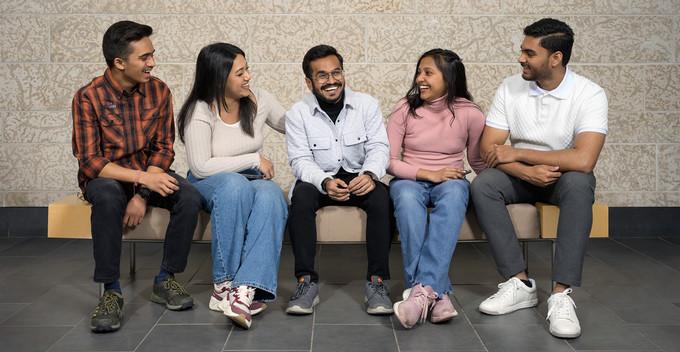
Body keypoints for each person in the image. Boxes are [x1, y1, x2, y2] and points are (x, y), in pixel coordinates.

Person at [470, 18, 608, 338]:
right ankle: (519, 284)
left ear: (555, 58)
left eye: (530, 53)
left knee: (579, 184)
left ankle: (561, 296)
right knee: (485, 184)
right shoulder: (510, 87)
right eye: (522, 51)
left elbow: (584, 160)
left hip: (563, 177)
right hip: (520, 176)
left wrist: (518, 154)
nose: (521, 58)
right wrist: (523, 170)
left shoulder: (590, 94)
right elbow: (488, 148)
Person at [71, 20, 203, 333]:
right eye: (144, 57)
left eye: (151, 55)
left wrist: (143, 194)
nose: (152, 63)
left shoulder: (158, 91)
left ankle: (165, 279)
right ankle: (110, 291)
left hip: (150, 173)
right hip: (108, 176)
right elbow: (90, 162)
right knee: (106, 196)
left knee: (189, 195)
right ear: (119, 62)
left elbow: (162, 149)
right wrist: (140, 181)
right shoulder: (88, 97)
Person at [177, 43, 288, 330]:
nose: (248, 76)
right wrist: (252, 158)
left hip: (249, 178)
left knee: (272, 194)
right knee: (234, 185)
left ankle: (244, 289)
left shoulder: (258, 99)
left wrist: (323, 104)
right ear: (218, 78)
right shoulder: (200, 110)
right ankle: (222, 285)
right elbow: (201, 166)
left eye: (247, 69)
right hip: (207, 183)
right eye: (240, 73)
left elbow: (294, 124)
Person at [285, 44, 393, 315]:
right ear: (309, 81)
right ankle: (306, 282)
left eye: (336, 72)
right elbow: (300, 161)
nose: (331, 80)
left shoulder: (367, 104)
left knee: (382, 197)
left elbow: (380, 147)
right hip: (320, 179)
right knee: (300, 197)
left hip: (359, 175)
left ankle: (377, 283)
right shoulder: (297, 114)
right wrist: (324, 182)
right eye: (322, 75)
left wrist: (370, 174)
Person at [387, 49, 486, 329]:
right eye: (419, 71)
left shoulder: (470, 113)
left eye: (428, 72)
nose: (420, 78)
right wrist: (430, 173)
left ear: (450, 77)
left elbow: (477, 160)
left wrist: (502, 187)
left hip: (451, 180)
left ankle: (418, 295)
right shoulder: (404, 108)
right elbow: (390, 161)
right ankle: (437, 294)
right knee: (406, 198)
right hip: (409, 178)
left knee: (456, 194)